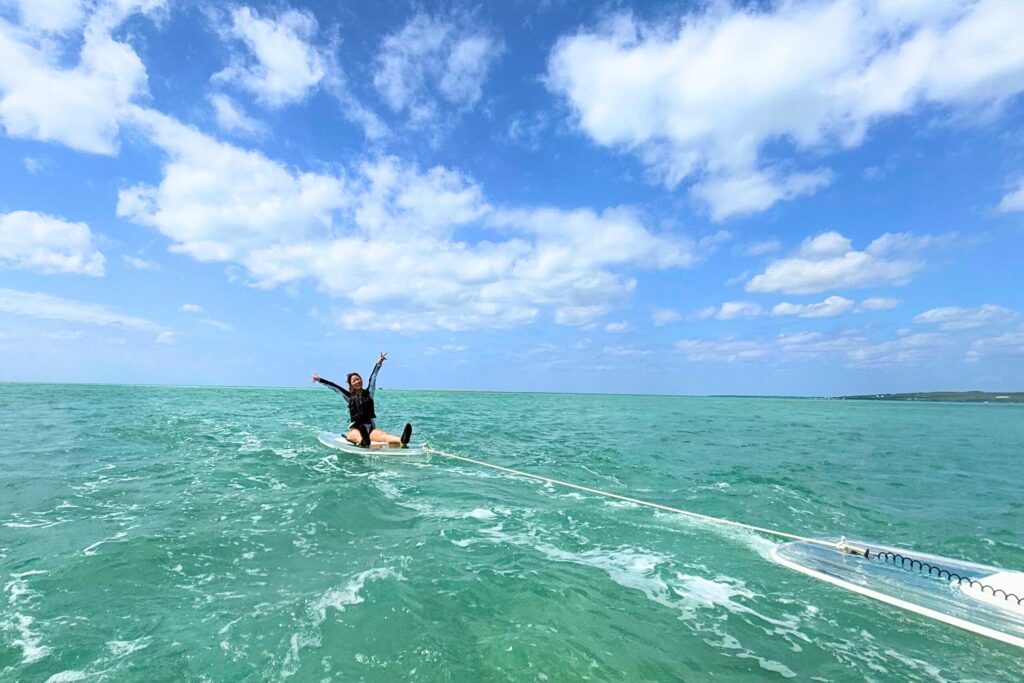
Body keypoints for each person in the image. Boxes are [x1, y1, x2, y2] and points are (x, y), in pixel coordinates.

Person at [312, 352, 412, 448]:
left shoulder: (369, 393)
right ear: (351, 384)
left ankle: (402, 440)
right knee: (354, 435)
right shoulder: (349, 396)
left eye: (358, 379)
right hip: (356, 427)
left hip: (370, 427)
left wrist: (379, 363)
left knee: (382, 435)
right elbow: (335, 387)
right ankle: (363, 441)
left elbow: (373, 378)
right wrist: (320, 380)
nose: (357, 381)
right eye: (354, 380)